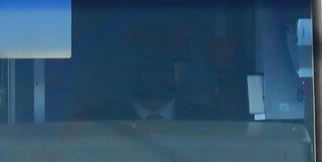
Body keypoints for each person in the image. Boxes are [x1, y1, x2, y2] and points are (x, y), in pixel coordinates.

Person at [82, 56, 223, 121]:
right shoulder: (98, 120)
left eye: (168, 68)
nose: (158, 76)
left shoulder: (210, 120)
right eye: (149, 68)